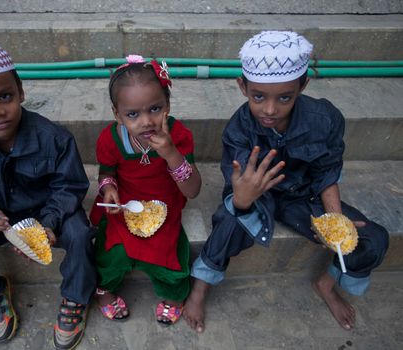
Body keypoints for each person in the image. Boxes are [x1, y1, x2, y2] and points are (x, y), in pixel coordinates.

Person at [183, 31, 389, 333]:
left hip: (302, 197)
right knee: (227, 223)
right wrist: (242, 199)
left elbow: (327, 171)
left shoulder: (324, 118)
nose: (269, 109)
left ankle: (327, 283)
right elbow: (238, 192)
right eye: (258, 96)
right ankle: (200, 288)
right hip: (253, 197)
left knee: (372, 239)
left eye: (284, 97)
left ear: (302, 86)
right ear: (243, 87)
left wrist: (334, 220)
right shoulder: (239, 130)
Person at [0, 40, 96, 349]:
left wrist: (48, 223)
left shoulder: (55, 138)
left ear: (20, 91)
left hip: (51, 212)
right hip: (2, 217)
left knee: (80, 235)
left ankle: (76, 296)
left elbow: (70, 186)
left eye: (5, 96)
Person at [89, 55, 201, 325]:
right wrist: (109, 189)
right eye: (132, 114)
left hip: (165, 201)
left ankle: (174, 294)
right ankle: (103, 290)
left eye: (155, 109)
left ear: (168, 105)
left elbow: (193, 190)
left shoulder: (179, 135)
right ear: (117, 115)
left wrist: (170, 152)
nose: (146, 121)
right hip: (126, 201)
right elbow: (107, 172)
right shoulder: (111, 138)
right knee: (111, 250)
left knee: (168, 253)